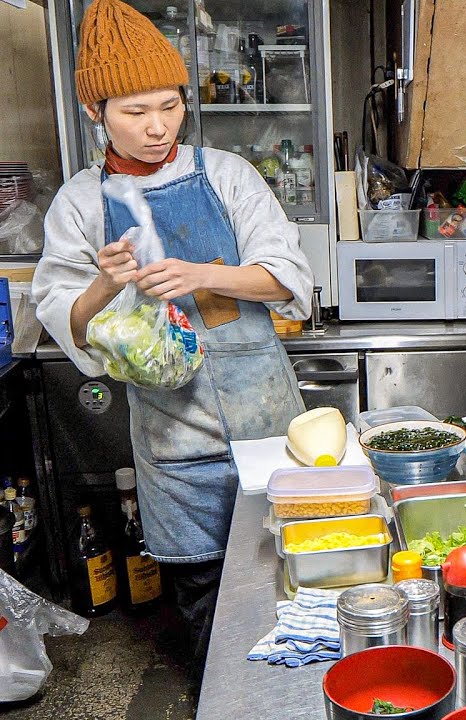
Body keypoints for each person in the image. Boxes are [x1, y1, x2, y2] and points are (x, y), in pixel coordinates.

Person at [33, 0, 311, 675]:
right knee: (205, 598)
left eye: (170, 105)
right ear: (95, 111)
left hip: (268, 425)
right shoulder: (80, 202)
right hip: (173, 441)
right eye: (135, 112)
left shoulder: (227, 175)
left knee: (296, 583)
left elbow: (288, 277)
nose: (158, 127)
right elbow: (64, 314)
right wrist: (103, 284)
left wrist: (202, 273)